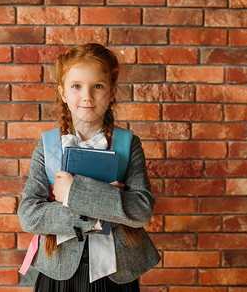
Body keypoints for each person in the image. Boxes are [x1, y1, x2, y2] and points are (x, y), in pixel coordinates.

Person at [17, 43, 161, 292]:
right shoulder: (49, 145)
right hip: (58, 272)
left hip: (117, 274)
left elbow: (141, 210)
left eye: (98, 86)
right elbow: (29, 215)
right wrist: (101, 208)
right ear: (63, 93)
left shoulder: (128, 143)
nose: (87, 96)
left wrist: (73, 193)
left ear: (112, 91)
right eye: (76, 86)